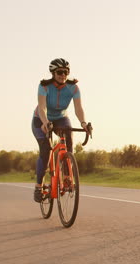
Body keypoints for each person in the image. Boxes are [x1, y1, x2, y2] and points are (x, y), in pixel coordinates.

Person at [31, 58, 88, 202]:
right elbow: (42, 107)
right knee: (46, 150)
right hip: (40, 119)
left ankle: (68, 177)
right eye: (60, 72)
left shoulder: (73, 88)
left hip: (61, 118)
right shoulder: (44, 86)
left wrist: (83, 123)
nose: (63, 75)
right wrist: (45, 123)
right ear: (53, 73)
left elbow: (78, 108)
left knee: (68, 139)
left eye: (66, 72)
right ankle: (39, 186)